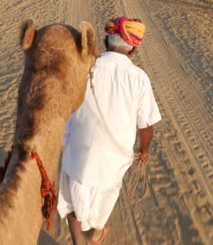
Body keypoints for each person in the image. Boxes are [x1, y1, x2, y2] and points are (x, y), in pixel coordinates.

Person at [57, 16, 162, 244]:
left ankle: (80, 240)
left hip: (78, 149)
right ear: (132, 50)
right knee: (103, 197)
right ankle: (95, 234)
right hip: (114, 158)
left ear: (106, 40)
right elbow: (146, 126)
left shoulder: (85, 67)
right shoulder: (140, 79)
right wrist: (144, 151)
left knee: (75, 194)